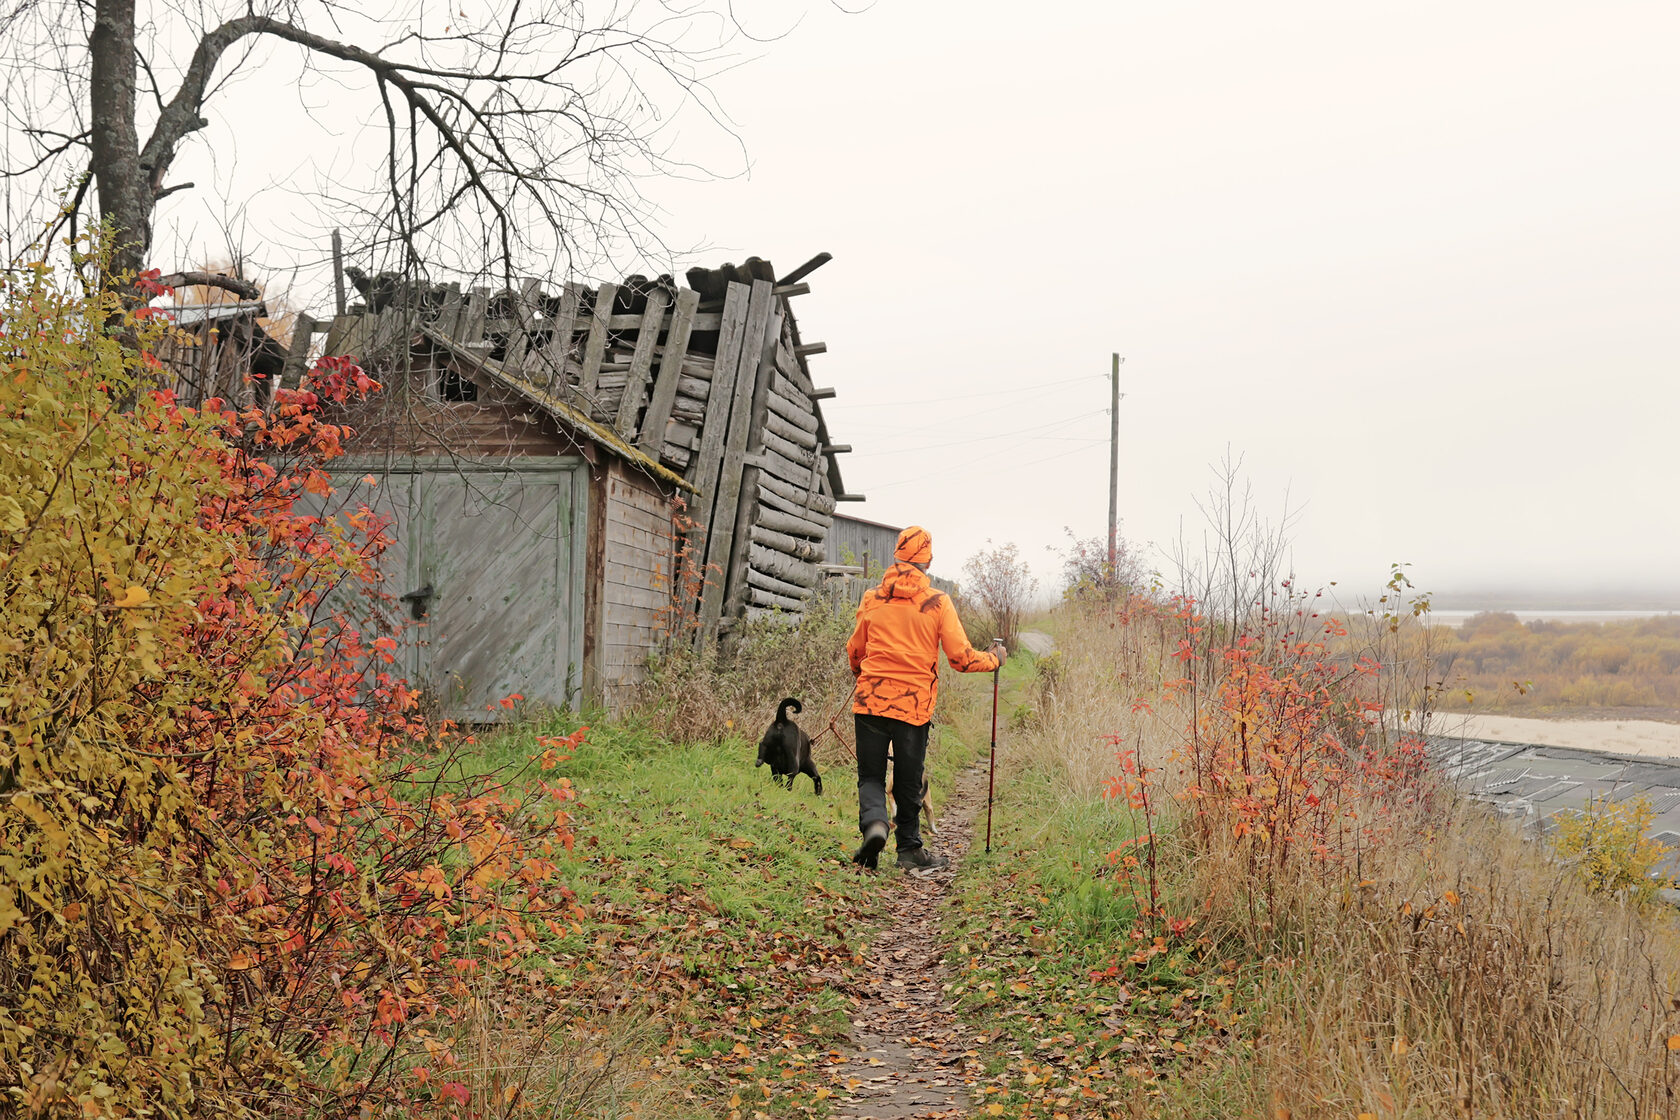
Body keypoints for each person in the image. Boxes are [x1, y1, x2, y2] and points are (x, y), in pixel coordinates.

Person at [846, 525, 1005, 871]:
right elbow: (961, 658)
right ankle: (909, 850)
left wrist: (863, 676)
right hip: (913, 709)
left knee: (871, 777)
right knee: (908, 778)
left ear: (897, 556)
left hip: (870, 702)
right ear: (927, 561)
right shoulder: (937, 602)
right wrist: (994, 658)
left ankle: (874, 825)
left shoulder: (872, 598)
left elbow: (855, 650)